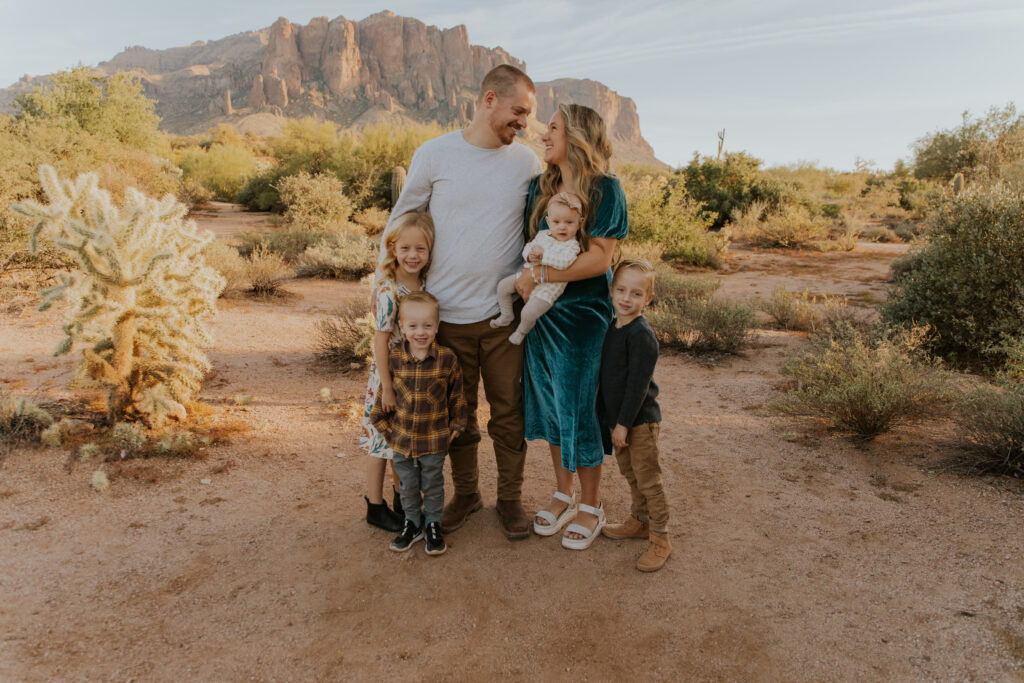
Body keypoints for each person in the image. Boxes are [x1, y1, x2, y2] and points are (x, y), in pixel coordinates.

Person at [383, 64, 543, 539]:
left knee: (509, 414)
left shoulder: (527, 162)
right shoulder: (434, 154)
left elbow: (540, 231)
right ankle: (468, 494)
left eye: (530, 116)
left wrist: (532, 273)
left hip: (502, 319)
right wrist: (386, 288)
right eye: (518, 111)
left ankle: (510, 500)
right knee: (458, 415)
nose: (524, 123)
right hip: (444, 318)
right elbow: (401, 221)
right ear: (489, 99)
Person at [516, 103, 628, 550]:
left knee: (578, 407)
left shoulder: (605, 189)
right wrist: (527, 277)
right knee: (549, 404)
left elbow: (601, 258)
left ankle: (592, 504)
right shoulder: (538, 188)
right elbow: (532, 246)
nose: (545, 134)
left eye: (555, 128)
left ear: (578, 136)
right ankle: (562, 493)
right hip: (540, 316)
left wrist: (542, 277)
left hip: (581, 318)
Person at [369, 291, 468, 555]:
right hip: (402, 441)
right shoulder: (395, 359)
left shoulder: (447, 359)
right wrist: (389, 434)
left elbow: (457, 394)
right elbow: (382, 401)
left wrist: (457, 425)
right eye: (413, 326)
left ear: (437, 326)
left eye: (427, 325)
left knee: (433, 484)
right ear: (402, 328)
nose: (420, 332)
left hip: (434, 440)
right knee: (407, 486)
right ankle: (412, 524)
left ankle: (433, 524)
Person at [359, 211, 434, 532]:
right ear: (392, 248)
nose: (412, 256)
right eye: (405, 248)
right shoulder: (389, 291)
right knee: (380, 442)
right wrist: (386, 386)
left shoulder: (425, 283)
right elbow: (380, 340)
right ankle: (375, 506)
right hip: (390, 378)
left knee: (401, 442)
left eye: (420, 249)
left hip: (413, 378)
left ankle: (402, 497)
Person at [598, 258, 671, 572]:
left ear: (649, 299)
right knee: (630, 474)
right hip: (620, 422)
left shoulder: (642, 335)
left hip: (639, 422)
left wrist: (624, 425)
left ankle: (660, 538)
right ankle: (640, 521)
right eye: (622, 290)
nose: (627, 299)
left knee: (649, 480)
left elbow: (637, 386)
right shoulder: (613, 326)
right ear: (612, 291)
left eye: (637, 294)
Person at [490, 191, 584, 344]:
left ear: (580, 222)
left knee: (528, 313)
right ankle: (507, 315)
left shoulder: (572, 246)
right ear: (548, 221)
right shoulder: (542, 235)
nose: (562, 227)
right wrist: (529, 256)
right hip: (526, 274)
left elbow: (564, 263)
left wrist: (543, 257)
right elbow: (528, 247)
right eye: (556, 222)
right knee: (502, 287)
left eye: (569, 222)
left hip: (547, 291)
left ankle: (521, 332)